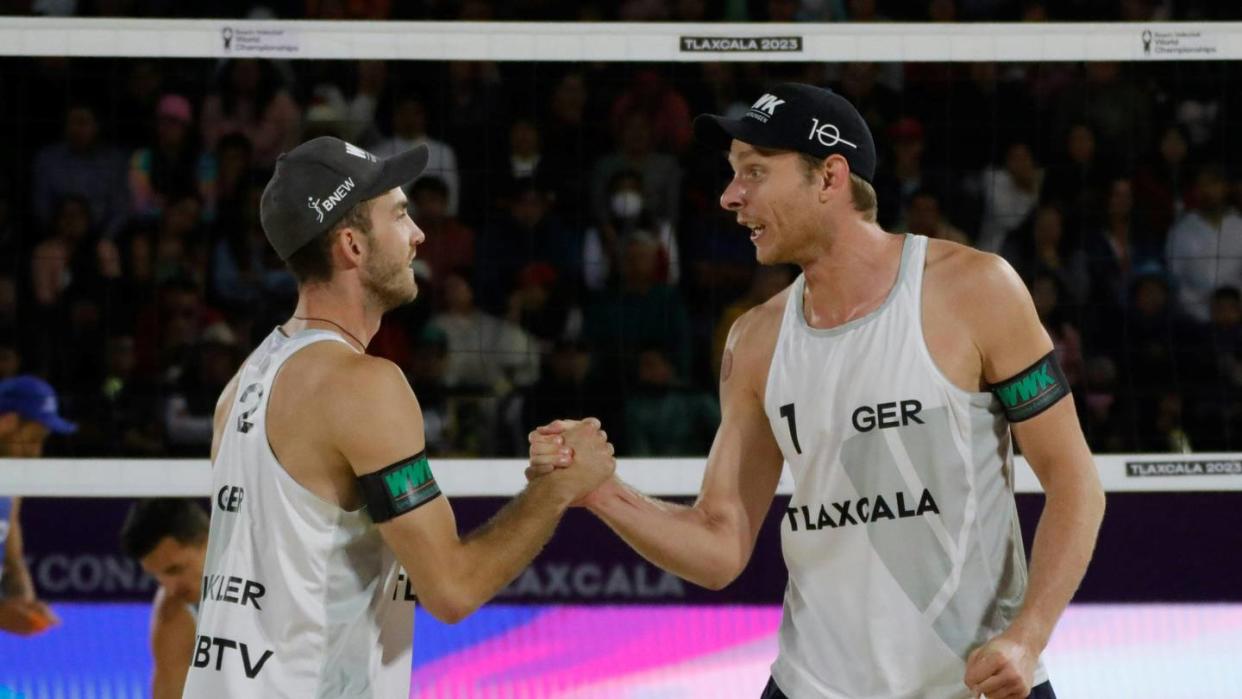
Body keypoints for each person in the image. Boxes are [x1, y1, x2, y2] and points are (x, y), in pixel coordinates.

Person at [532, 84, 1105, 699]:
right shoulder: (752, 340)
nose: (730, 197)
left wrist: (1028, 636)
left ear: (829, 176)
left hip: (976, 682)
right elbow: (721, 546)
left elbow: (1075, 481)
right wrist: (601, 491)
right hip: (814, 684)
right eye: (732, 175)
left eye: (754, 172)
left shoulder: (975, 289)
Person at [182, 136, 614, 697]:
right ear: (352, 246)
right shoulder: (362, 385)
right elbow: (452, 589)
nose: (420, 235)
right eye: (401, 215)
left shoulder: (244, 381)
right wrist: (558, 489)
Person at [0, 375, 75, 636]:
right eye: (33, 438)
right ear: (6, 422)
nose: (36, 452)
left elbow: (12, 559)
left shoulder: (11, 483)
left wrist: (26, 603)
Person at [119, 498, 210, 699]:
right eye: (158, 576)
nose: (171, 588)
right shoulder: (174, 613)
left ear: (207, 541)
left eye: (175, 569)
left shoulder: (270, 572)